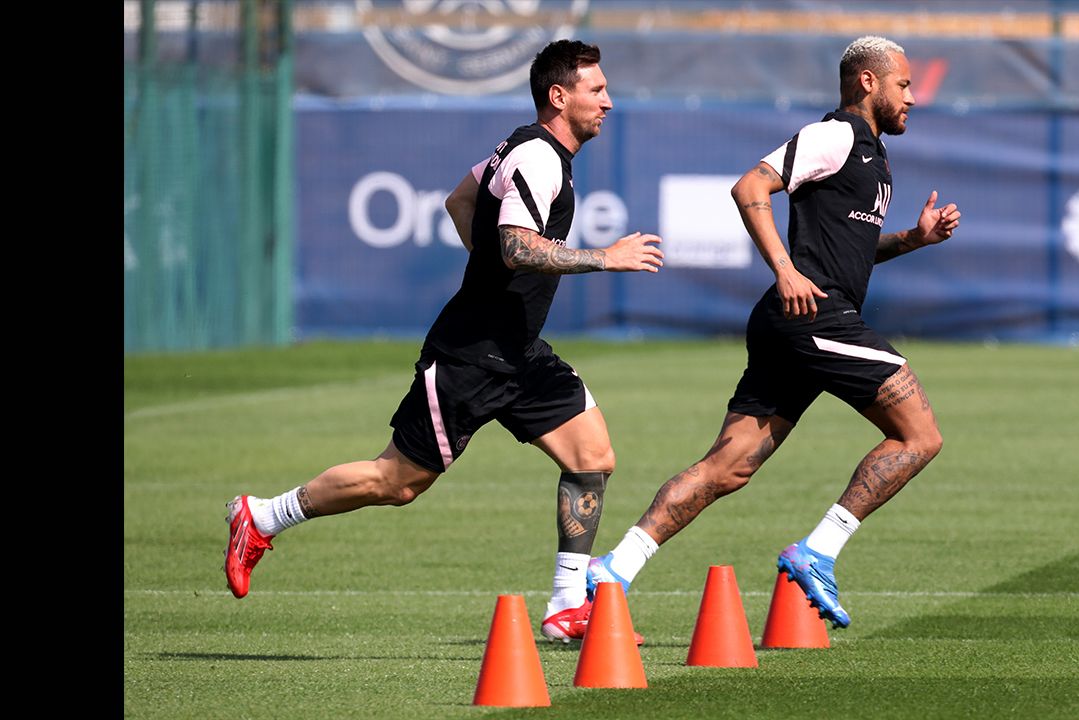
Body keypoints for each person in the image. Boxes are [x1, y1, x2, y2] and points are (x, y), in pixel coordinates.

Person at [224, 39, 663, 645]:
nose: (608, 102)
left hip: (518, 349)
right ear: (559, 97)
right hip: (470, 354)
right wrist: (604, 259)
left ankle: (567, 606)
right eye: (597, 90)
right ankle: (262, 516)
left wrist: (488, 276)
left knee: (592, 459)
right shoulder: (537, 157)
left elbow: (460, 200)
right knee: (398, 482)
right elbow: (515, 246)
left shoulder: (525, 148)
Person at [584, 36, 960, 629]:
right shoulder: (834, 135)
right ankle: (818, 551)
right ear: (868, 81)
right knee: (920, 436)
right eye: (904, 85)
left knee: (727, 467)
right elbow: (748, 187)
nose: (912, 97)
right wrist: (784, 270)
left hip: (799, 322)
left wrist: (913, 240)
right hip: (813, 316)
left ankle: (614, 569)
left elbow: (850, 255)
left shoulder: (875, 156)